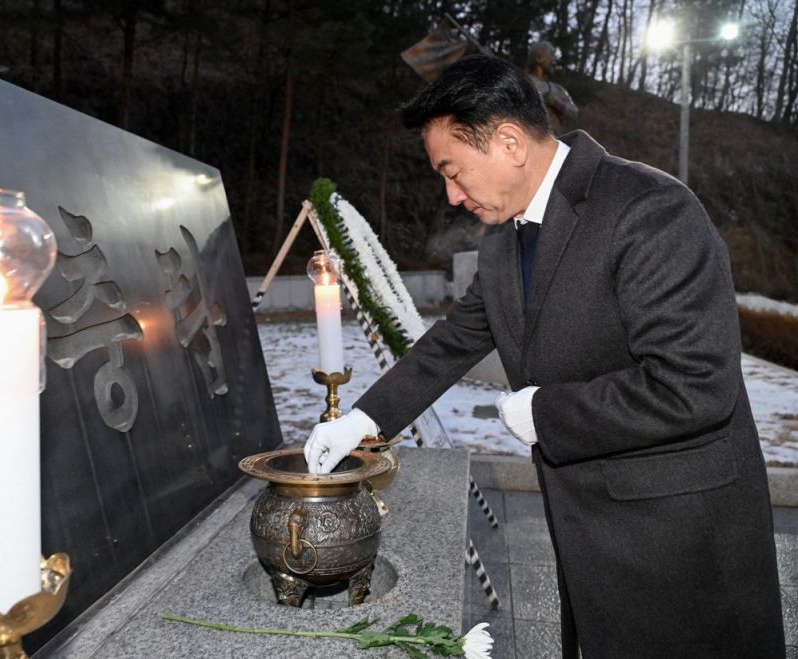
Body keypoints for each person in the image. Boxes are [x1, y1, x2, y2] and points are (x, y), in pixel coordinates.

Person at [303, 54, 785, 658]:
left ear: (509, 143)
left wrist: (545, 413)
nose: (451, 195)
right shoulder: (505, 237)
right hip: (594, 531)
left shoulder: (650, 209)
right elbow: (455, 339)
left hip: (680, 544)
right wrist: (362, 420)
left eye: (453, 171)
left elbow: (694, 384)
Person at [525, 41, 578, 132]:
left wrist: (557, 104)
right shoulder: (521, 83)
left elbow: (574, 113)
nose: (554, 61)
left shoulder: (558, 89)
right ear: (539, 58)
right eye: (551, 54)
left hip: (555, 138)